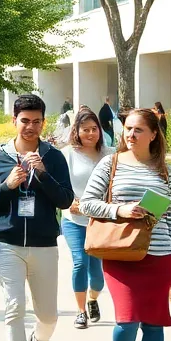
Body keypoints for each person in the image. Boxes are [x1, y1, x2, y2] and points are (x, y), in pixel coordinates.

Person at [79, 108, 171, 341]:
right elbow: (86, 204)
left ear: (153, 134)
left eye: (138, 130)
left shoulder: (167, 171)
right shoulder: (110, 164)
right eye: (127, 129)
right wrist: (119, 210)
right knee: (127, 321)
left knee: (154, 323)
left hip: (158, 254)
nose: (131, 134)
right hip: (121, 254)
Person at [0, 94, 74, 341]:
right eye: (24, 121)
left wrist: (44, 175)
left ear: (43, 123)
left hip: (44, 244)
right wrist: (8, 185)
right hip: (8, 243)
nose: (30, 127)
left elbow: (65, 200)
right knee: (14, 308)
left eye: (36, 121)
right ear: (14, 121)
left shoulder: (54, 157)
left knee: (48, 316)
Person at [61, 108, 113, 329]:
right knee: (80, 263)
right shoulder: (68, 154)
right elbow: (59, 184)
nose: (91, 133)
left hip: (99, 221)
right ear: (77, 131)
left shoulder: (109, 154)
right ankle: (80, 311)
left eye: (94, 129)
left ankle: (92, 299)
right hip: (74, 219)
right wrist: (68, 203)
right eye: (85, 129)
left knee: (97, 275)